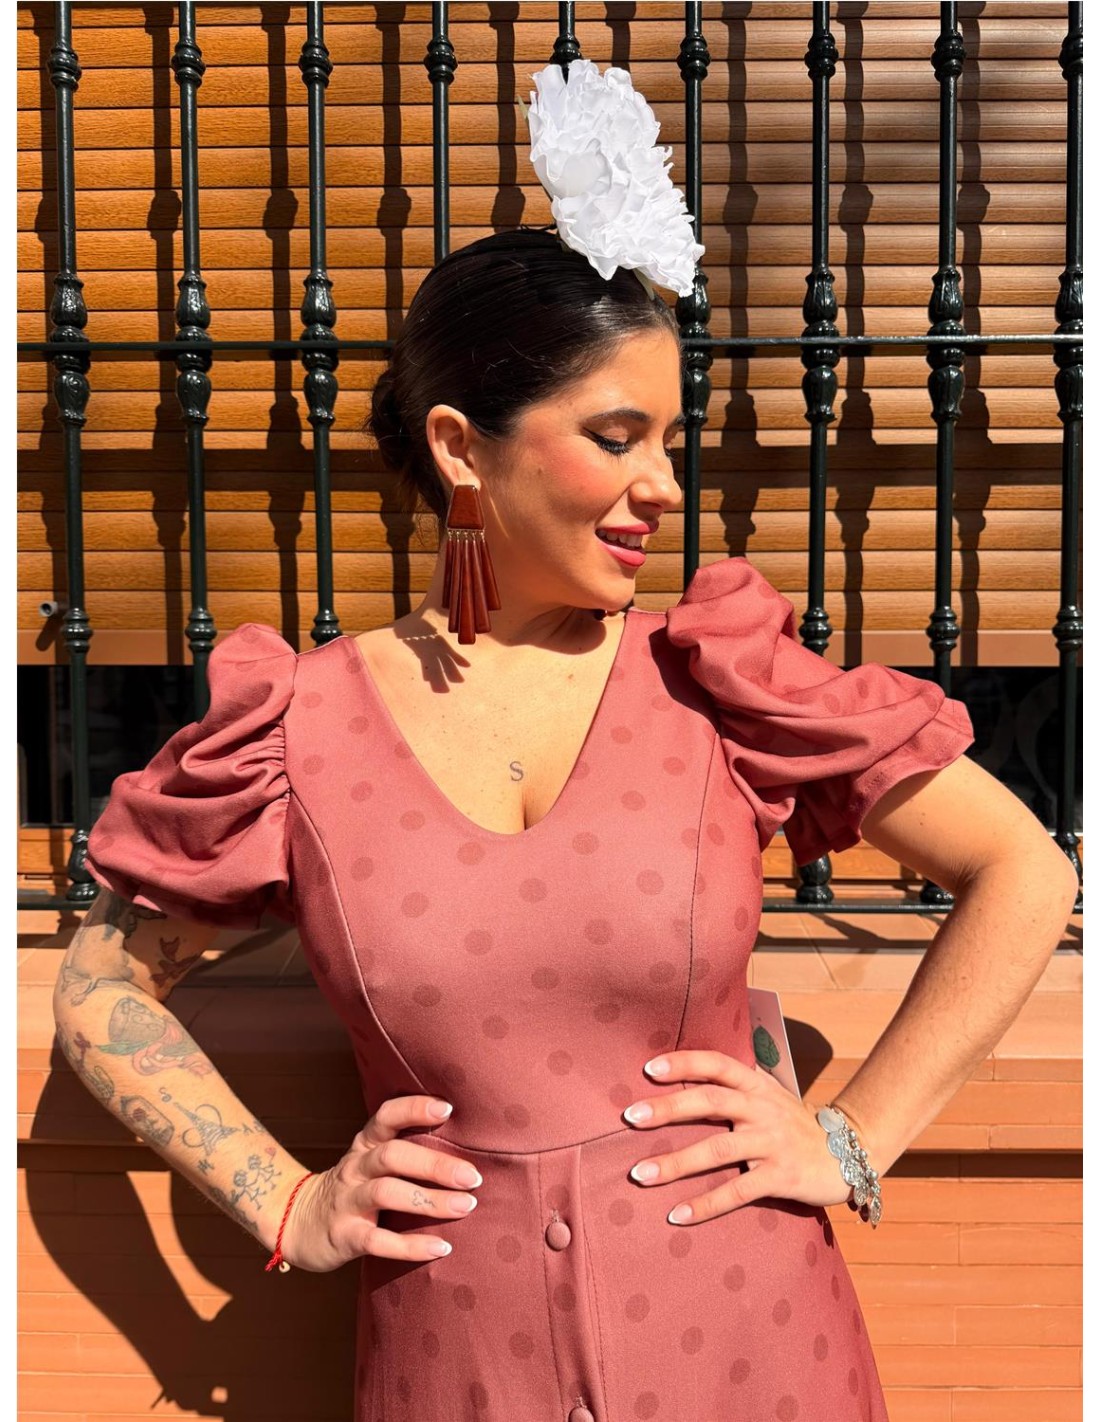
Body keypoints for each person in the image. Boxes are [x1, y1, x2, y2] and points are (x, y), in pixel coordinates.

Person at [53, 65, 1078, 1422]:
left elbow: (1026, 870)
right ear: (461, 450)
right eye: (616, 436)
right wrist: (287, 1199)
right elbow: (101, 989)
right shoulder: (301, 730)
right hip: (454, 1369)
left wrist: (853, 1137)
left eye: (670, 439)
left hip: (752, 1351)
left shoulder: (718, 683)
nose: (663, 484)